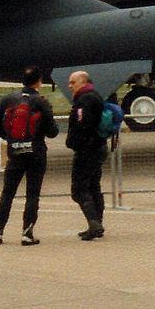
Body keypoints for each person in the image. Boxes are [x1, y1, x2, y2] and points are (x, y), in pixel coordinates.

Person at [0, 66, 58, 246]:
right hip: (36, 153)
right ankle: (27, 233)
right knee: (32, 194)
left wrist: (10, 138)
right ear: (39, 82)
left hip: (15, 152)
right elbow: (53, 131)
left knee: (8, 193)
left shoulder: (9, 99)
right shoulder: (41, 102)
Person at [65, 69, 108, 240]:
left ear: (83, 82)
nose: (70, 86)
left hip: (87, 150)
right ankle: (97, 223)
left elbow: (84, 124)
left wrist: (77, 142)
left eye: (73, 82)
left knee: (79, 189)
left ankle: (94, 223)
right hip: (98, 147)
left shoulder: (85, 99)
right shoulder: (95, 95)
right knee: (94, 187)